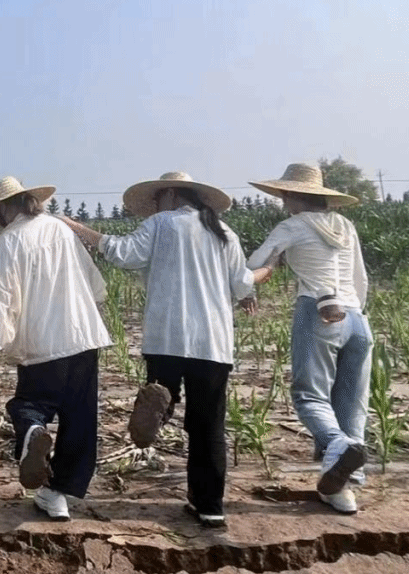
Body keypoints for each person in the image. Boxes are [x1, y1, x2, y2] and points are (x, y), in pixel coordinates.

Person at [58, 172, 271, 529]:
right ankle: (210, 506)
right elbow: (241, 284)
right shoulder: (224, 232)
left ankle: (161, 407)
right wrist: (265, 270)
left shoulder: (161, 224)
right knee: (208, 426)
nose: (155, 206)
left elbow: (123, 253)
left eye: (157, 199)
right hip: (212, 344)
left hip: (166, 338)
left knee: (164, 391)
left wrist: (76, 227)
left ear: (170, 194)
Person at [0, 176, 111, 522]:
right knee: (80, 419)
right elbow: (94, 284)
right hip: (84, 337)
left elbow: (1, 296)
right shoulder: (61, 229)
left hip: (42, 342)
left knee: (31, 405)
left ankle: (33, 433)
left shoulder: (9, 240)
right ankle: (56, 495)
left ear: (4, 208)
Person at [246, 163, 372, 515]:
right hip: (356, 318)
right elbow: (360, 278)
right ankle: (343, 489)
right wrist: (355, 312)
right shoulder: (345, 225)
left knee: (309, 395)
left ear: (291, 194)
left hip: (317, 310)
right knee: (351, 402)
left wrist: (255, 279)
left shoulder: (292, 226)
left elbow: (255, 261)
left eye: (284, 195)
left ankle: (338, 446)